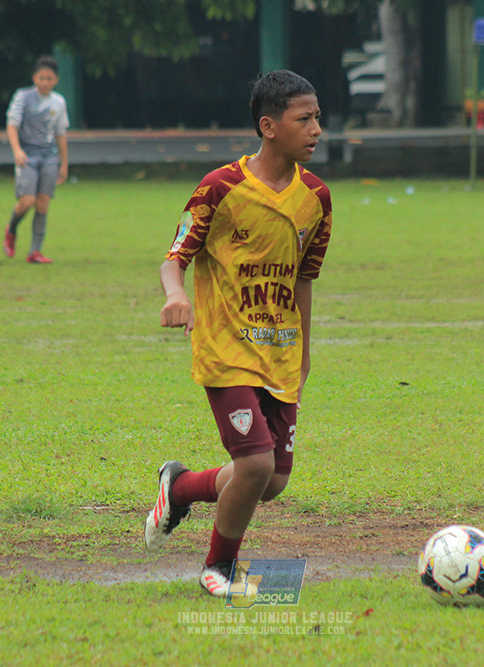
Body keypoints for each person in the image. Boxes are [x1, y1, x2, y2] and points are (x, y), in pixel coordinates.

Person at [144, 70, 332, 597]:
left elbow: (303, 279)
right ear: (269, 126)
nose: (317, 128)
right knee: (253, 463)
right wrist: (176, 295)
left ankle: (178, 487)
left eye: (318, 117)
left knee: (269, 482)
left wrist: (306, 351)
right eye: (305, 119)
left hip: (280, 351)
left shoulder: (316, 198)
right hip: (225, 347)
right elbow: (174, 257)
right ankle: (218, 570)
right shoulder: (221, 187)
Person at [3, 55, 69, 264]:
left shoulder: (58, 102)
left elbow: (60, 134)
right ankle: (11, 229)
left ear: (56, 80)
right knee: (27, 202)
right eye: (41, 78)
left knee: (42, 205)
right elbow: (12, 124)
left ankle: (34, 252)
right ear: (34, 78)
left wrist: (64, 163)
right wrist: (16, 150)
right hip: (27, 156)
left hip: (49, 157)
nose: (45, 82)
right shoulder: (22, 97)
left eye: (49, 79)